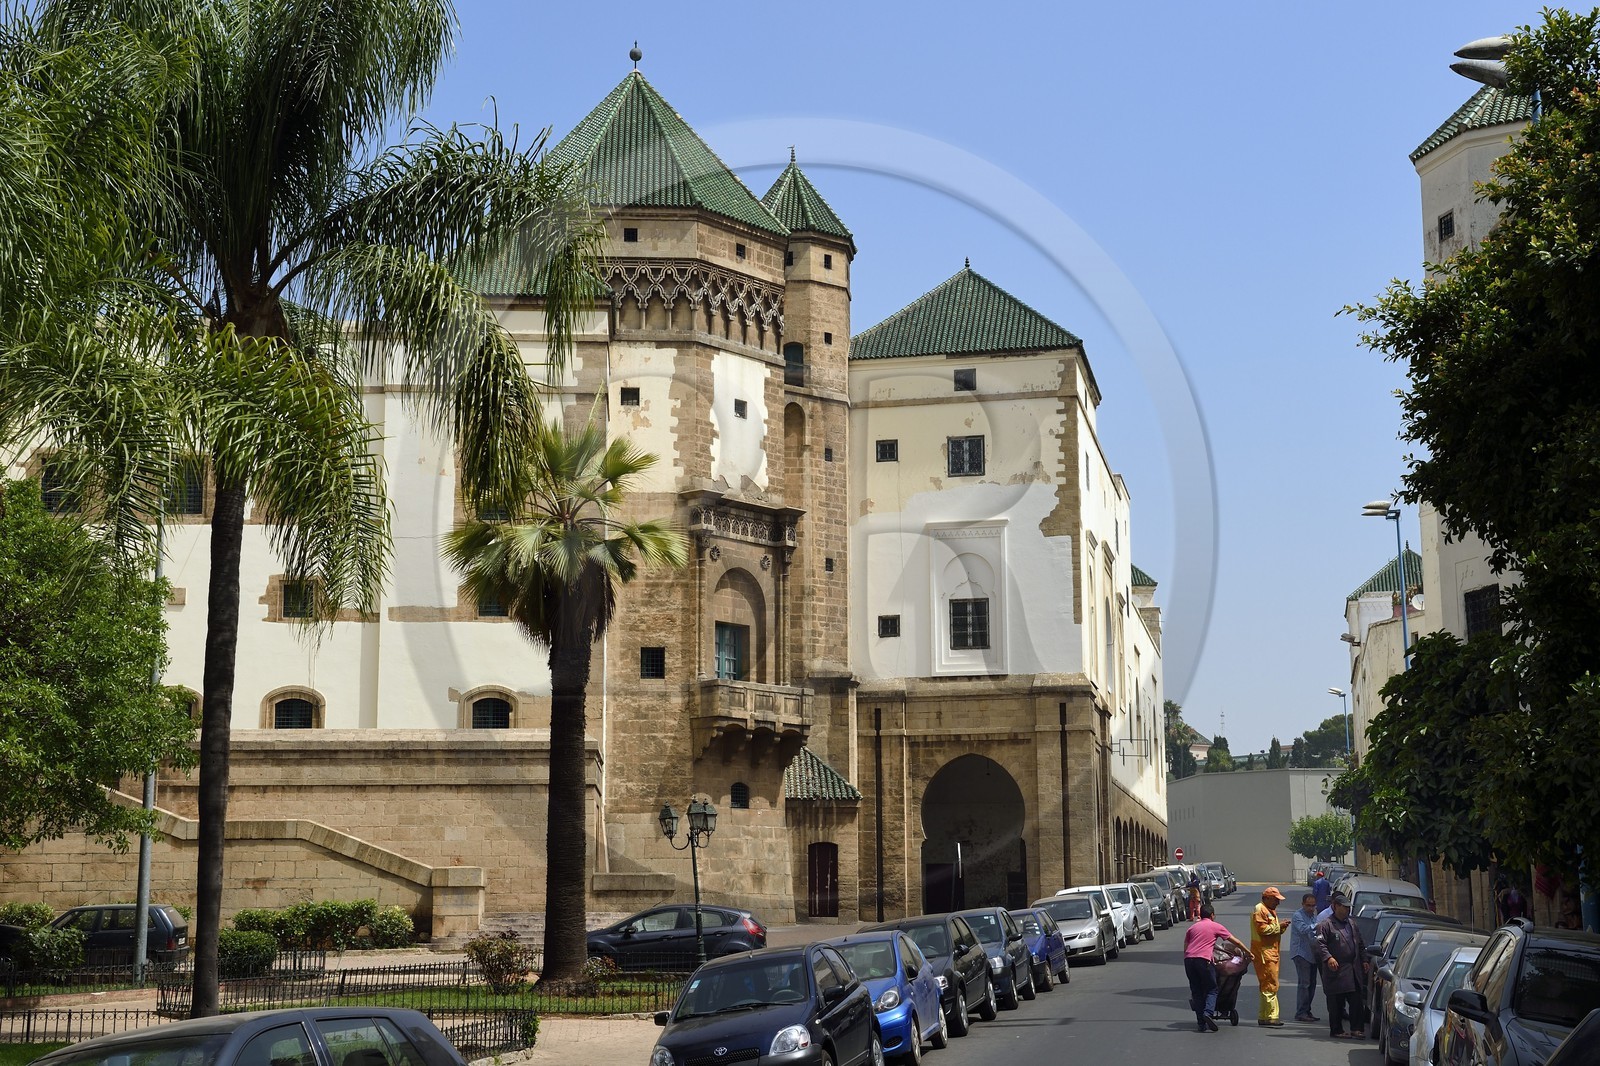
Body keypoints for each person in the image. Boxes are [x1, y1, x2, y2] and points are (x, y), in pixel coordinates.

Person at [1183, 902, 1249, 1033]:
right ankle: (1208, 1013)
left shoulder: (1192, 928)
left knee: (1197, 991)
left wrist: (1188, 958)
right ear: (1212, 915)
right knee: (1212, 989)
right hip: (1203, 961)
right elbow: (1234, 941)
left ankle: (1201, 1023)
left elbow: (1186, 945)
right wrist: (1248, 952)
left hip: (1189, 961)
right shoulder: (1215, 926)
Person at [1313, 892, 1369, 1039]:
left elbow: (1361, 944)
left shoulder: (1352, 924)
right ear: (1335, 906)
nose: (1347, 910)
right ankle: (1337, 1030)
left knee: (1356, 1001)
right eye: (1344, 907)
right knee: (1336, 1003)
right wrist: (1329, 957)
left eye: (1348, 907)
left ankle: (1357, 1029)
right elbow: (1320, 944)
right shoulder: (1326, 925)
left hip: (1352, 969)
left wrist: (1364, 960)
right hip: (1336, 970)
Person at [1251, 886, 1288, 1026]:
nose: (1278, 903)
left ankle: (1264, 1015)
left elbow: (1271, 931)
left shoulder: (1269, 910)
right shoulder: (1260, 909)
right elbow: (1262, 929)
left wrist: (1281, 927)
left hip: (1269, 951)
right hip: (1264, 952)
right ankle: (1271, 1016)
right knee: (1270, 983)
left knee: (1268, 983)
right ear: (1266, 898)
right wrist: (1279, 926)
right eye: (1275, 900)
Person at [1290, 892, 1321, 1023]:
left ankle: (1307, 1010)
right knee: (1305, 984)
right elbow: (1304, 929)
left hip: (1312, 954)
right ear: (1303, 904)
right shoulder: (1298, 915)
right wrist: (1317, 926)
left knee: (1312, 984)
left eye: (1313, 906)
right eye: (1308, 905)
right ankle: (1301, 1012)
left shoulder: (1313, 917)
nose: (1311, 908)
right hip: (1301, 953)